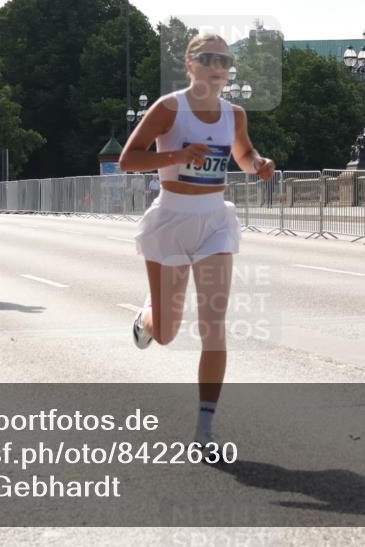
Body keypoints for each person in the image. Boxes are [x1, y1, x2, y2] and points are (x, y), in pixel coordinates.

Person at [119, 33, 275, 447]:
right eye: (208, 58)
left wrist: (258, 164)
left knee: (213, 327)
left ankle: (205, 429)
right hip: (171, 222)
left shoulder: (234, 114)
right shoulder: (169, 108)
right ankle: (148, 316)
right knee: (168, 334)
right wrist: (178, 155)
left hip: (213, 223)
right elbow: (128, 159)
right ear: (190, 64)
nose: (218, 66)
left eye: (224, 60)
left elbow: (243, 154)